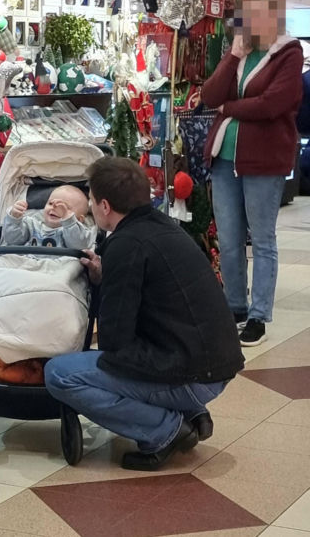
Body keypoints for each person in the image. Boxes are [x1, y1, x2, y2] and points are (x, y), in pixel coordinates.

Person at [45, 157, 244, 471]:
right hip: (215, 363)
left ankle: (164, 430)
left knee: (60, 373)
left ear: (105, 206)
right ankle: (189, 412)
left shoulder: (125, 245)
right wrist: (106, 276)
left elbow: (114, 340)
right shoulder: (162, 226)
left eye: (93, 202)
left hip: (192, 375)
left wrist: (101, 285)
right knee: (110, 361)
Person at [202, 0, 303, 346]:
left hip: (264, 160)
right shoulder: (241, 52)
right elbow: (209, 95)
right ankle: (235, 306)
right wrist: (232, 57)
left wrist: (229, 109)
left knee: (262, 239)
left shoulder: (288, 53)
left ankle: (259, 315)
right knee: (229, 240)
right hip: (223, 159)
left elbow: (274, 104)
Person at [2, 184, 96, 249]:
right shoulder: (30, 224)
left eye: (64, 207)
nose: (55, 207)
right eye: (50, 203)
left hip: (60, 269)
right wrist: (14, 218)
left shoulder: (79, 233)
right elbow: (12, 240)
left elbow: (79, 244)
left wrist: (69, 222)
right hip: (29, 265)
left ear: (79, 219)